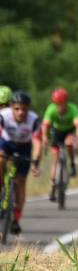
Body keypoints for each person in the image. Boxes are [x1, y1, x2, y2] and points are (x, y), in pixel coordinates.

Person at [0, 91, 42, 235]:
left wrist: (36, 161)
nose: (20, 112)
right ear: (11, 107)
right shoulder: (3, 116)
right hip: (6, 143)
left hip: (24, 147)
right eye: (17, 109)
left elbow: (37, 142)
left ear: (28, 109)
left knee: (21, 181)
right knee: (0, 159)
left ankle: (16, 219)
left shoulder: (34, 120)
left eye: (24, 109)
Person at [41, 87, 78, 198]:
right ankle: (52, 186)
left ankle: (72, 163)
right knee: (55, 159)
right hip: (57, 132)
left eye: (62, 103)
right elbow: (45, 125)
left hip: (69, 131)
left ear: (66, 102)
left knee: (69, 143)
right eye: (57, 104)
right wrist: (45, 138)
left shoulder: (73, 108)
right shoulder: (51, 109)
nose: (59, 106)